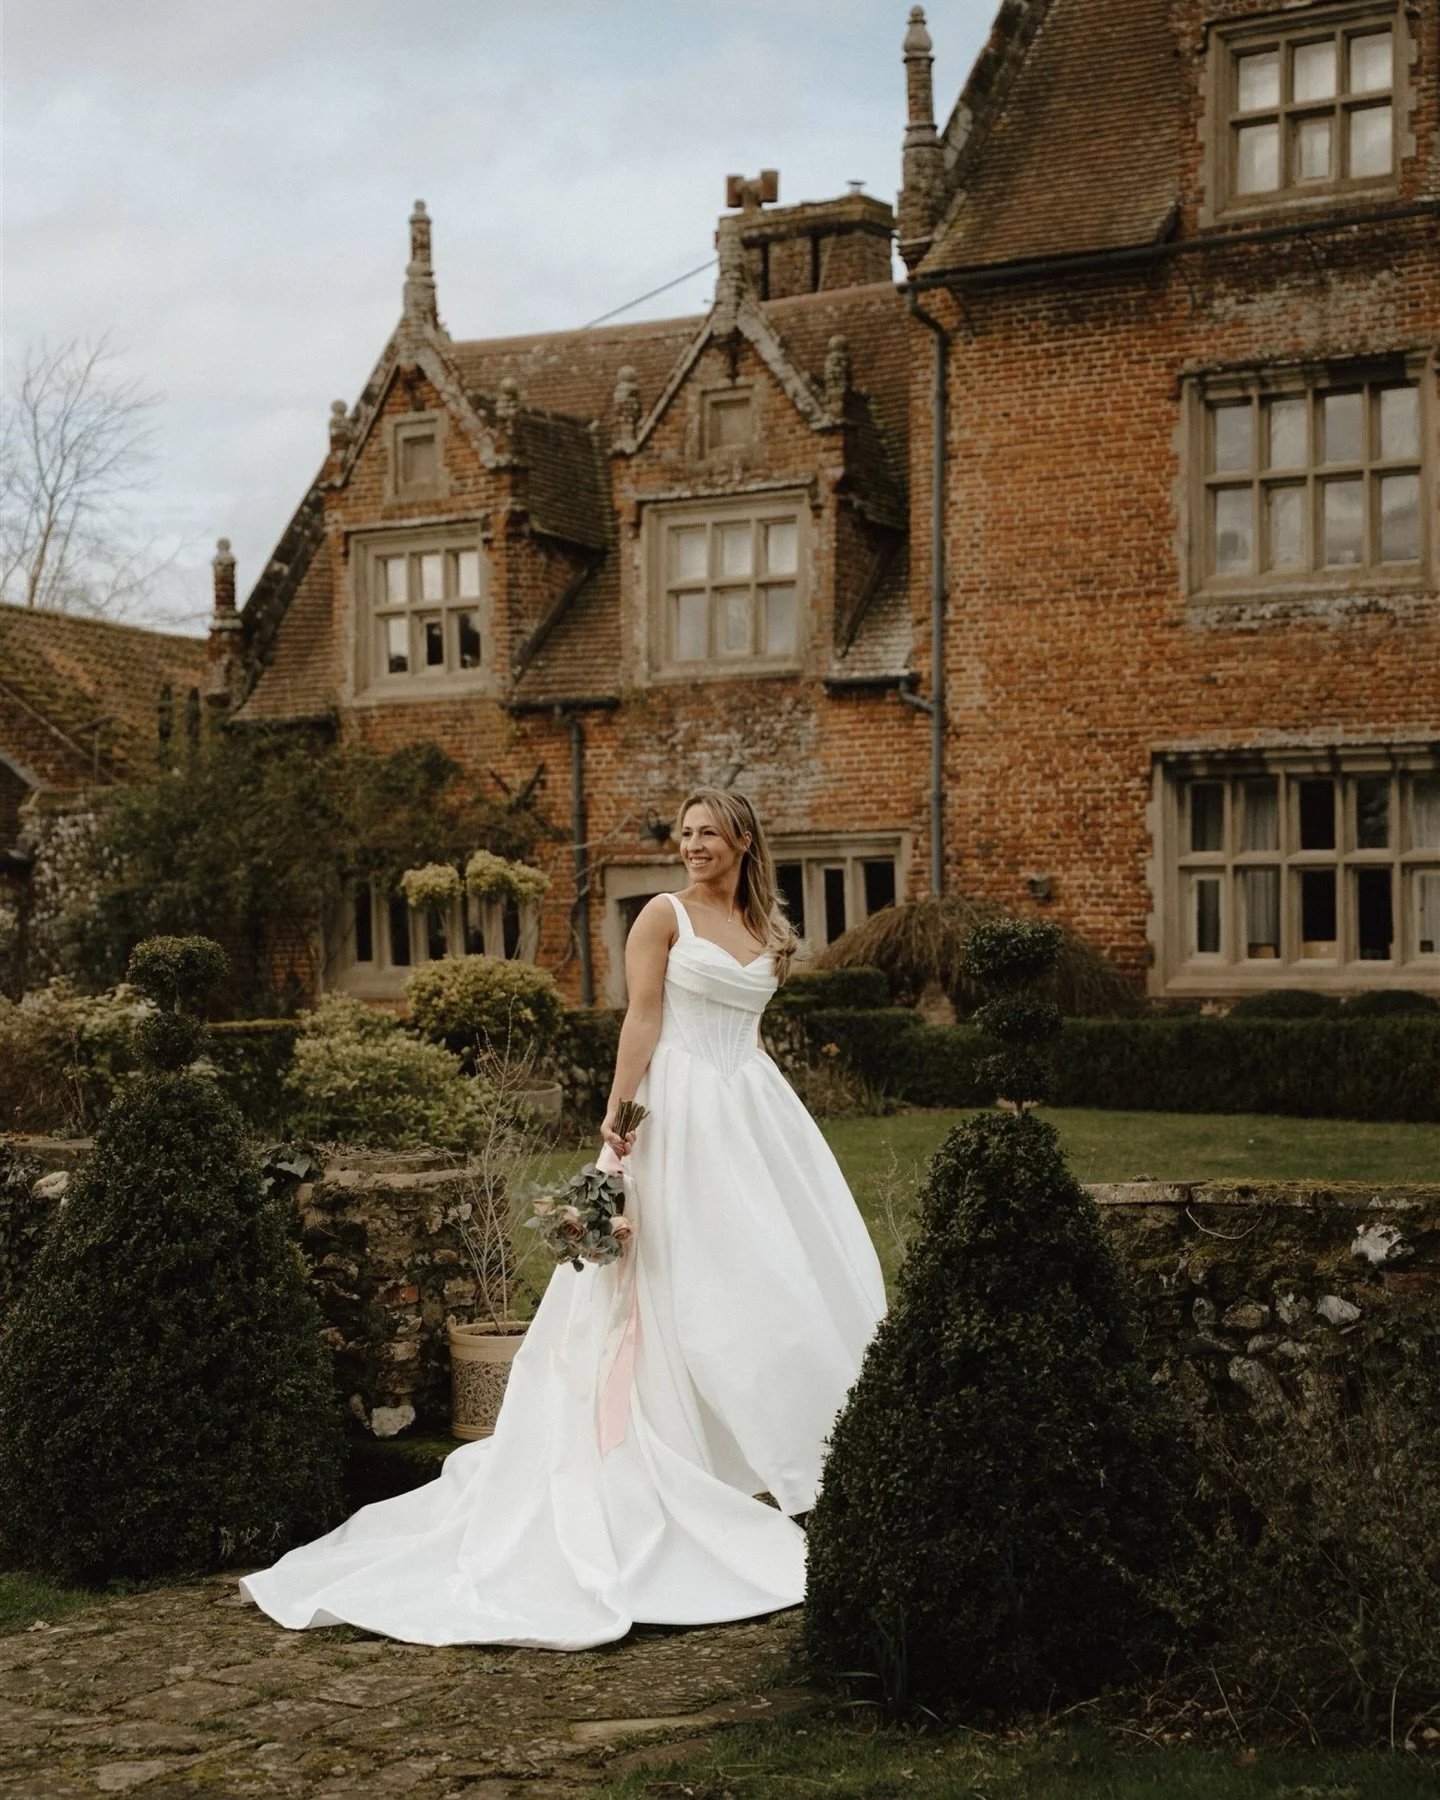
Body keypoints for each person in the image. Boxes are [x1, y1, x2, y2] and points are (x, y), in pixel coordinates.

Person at [239, 787, 886, 1649]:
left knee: (773, 1274)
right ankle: (682, 1460)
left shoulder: (768, 929)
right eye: (685, 833)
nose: (693, 845)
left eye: (708, 833)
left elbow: (750, 1030)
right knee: (683, 1280)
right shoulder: (662, 916)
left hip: (752, 1112)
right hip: (679, 1115)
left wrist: (765, 1110)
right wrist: (618, 1119)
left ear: (742, 840)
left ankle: (790, 1454)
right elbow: (643, 1018)